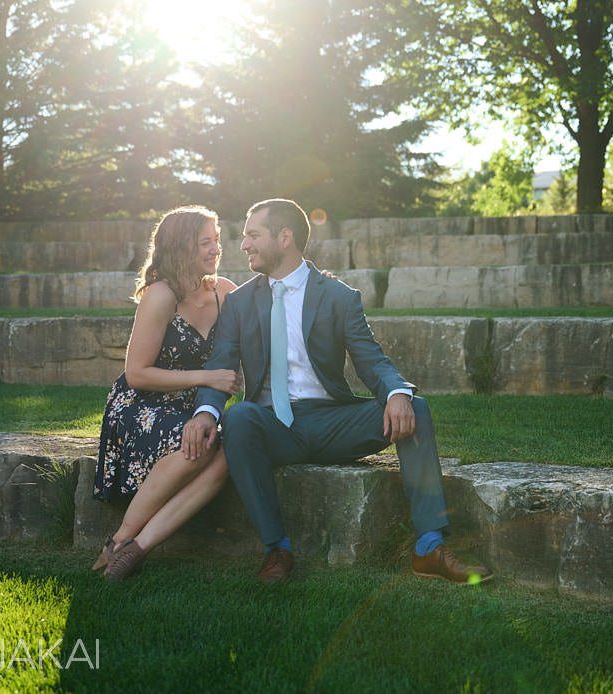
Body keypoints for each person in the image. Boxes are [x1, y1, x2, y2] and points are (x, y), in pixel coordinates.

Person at [182, 198, 493, 585]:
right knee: (240, 416)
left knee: (417, 408)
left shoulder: (339, 296)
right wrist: (204, 413)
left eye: (252, 235)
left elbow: (371, 360)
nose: (243, 244)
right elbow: (221, 364)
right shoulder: (240, 302)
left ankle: (429, 546)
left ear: (284, 237)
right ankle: (276, 548)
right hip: (272, 426)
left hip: (332, 422)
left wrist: (398, 392)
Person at [91, 205, 239, 579]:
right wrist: (205, 379)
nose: (216, 249)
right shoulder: (161, 295)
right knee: (201, 445)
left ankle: (137, 549)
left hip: (194, 406)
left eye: (217, 240)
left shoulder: (226, 293)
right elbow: (137, 374)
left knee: (227, 452)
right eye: (205, 242)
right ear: (181, 247)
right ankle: (120, 539)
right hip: (141, 405)